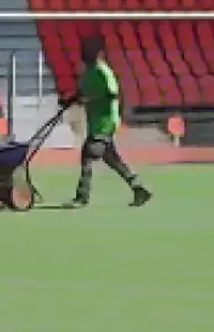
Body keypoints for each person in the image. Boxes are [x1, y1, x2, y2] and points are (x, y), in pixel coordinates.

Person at [62, 34, 152, 208]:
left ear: (97, 54)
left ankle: (82, 197)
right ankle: (139, 188)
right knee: (112, 159)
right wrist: (69, 101)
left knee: (88, 154)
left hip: (105, 122)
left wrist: (90, 100)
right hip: (95, 122)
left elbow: (112, 94)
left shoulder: (103, 72)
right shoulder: (87, 73)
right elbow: (82, 93)